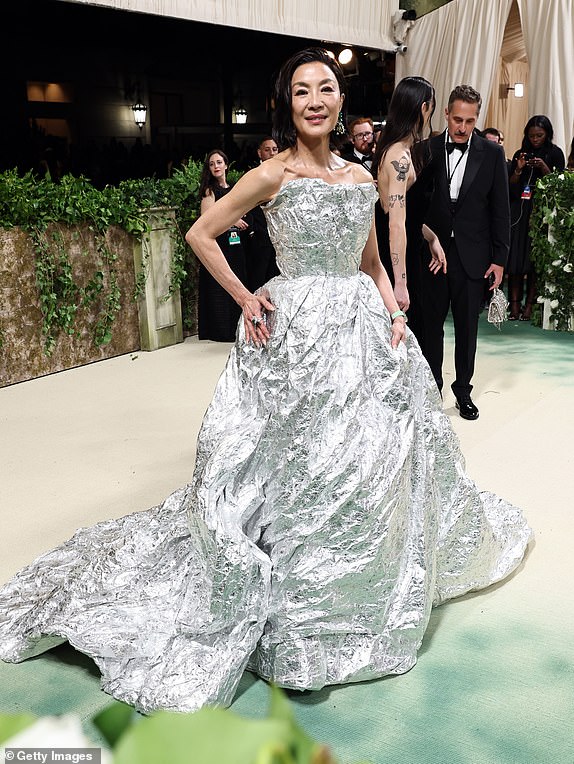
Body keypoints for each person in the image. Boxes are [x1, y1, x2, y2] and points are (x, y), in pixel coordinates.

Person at [0, 49, 531, 715]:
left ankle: (346, 601)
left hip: (359, 334)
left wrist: (393, 312)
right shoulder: (270, 173)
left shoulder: (360, 174)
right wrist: (247, 296)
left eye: (327, 88)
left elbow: (367, 261)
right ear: (288, 104)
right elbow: (202, 233)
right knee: (298, 470)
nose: (315, 99)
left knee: (364, 466)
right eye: (302, 90)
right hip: (295, 337)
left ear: (341, 101)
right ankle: (300, 630)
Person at [418, 85, 510, 420]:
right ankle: (431, 393)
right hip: (432, 254)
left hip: (474, 256)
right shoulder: (426, 149)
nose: (462, 127)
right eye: (457, 119)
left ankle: (463, 392)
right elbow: (415, 206)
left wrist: (499, 260)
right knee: (431, 327)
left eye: (470, 121)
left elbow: (501, 209)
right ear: (446, 114)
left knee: (467, 330)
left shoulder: (492, 153)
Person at [372, 75, 445, 327]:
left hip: (401, 251)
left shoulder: (393, 149)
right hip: (395, 258)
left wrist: (431, 237)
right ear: (424, 107)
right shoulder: (399, 157)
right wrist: (400, 282)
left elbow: (400, 214)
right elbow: (395, 223)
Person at [507, 116, 566, 320]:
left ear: (547, 134)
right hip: (520, 211)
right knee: (515, 259)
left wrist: (543, 167)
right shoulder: (520, 153)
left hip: (541, 211)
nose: (535, 139)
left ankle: (529, 306)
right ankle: (514, 305)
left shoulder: (555, 153)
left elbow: (558, 185)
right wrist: (519, 168)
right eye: (531, 135)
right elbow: (511, 185)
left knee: (534, 261)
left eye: (539, 135)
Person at [196, 149, 249, 341]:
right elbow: (206, 221)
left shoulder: (233, 188)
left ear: (226, 165)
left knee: (237, 280)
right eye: (211, 164)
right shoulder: (210, 191)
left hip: (236, 244)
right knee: (219, 285)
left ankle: (237, 328)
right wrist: (233, 221)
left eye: (219, 162)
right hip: (218, 245)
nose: (216, 167)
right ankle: (220, 331)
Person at [243, 137, 280, 291]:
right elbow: (246, 204)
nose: (272, 153)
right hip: (259, 239)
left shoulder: (285, 175)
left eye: (275, 149)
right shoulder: (252, 175)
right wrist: (253, 231)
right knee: (258, 282)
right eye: (267, 149)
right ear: (259, 153)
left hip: (280, 240)